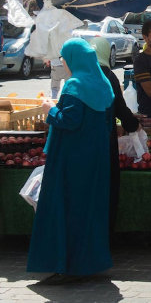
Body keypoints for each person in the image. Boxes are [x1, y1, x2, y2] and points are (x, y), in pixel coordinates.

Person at [28, 38, 115, 284]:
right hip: (96, 159)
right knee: (90, 209)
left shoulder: (74, 85)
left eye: (64, 59)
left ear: (74, 59)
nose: (63, 63)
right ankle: (90, 261)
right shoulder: (103, 84)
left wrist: (49, 109)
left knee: (66, 208)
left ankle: (64, 263)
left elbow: (69, 121)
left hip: (70, 159)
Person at [89, 38, 140, 242]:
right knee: (107, 190)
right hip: (105, 141)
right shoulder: (108, 77)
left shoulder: (83, 75)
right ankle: (104, 235)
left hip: (88, 143)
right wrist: (132, 125)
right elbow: (119, 107)